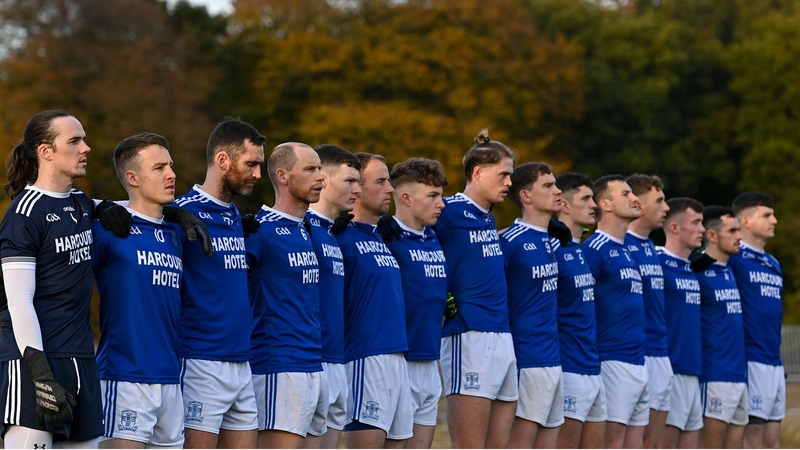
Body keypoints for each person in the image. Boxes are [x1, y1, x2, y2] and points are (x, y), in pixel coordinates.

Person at [0, 110, 139, 449]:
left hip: (81, 359)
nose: (86, 148)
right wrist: (40, 373)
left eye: (84, 140)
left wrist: (175, 214)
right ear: (45, 151)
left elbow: (131, 207)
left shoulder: (80, 203)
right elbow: (18, 302)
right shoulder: (23, 215)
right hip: (33, 362)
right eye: (74, 141)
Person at [173, 118, 266, 448]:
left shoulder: (235, 216)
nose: (257, 174)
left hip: (243, 361)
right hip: (199, 360)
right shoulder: (180, 213)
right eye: (251, 164)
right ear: (223, 160)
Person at [93, 133, 185, 448]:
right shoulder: (108, 229)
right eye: (159, 168)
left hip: (172, 379)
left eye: (171, 166)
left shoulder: (178, 231)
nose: (172, 175)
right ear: (131, 177)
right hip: (124, 377)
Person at [434, 129, 518, 449]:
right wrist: (440, 297)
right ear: (478, 172)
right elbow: (409, 240)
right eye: (504, 175)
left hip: (501, 334)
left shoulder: (487, 217)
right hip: (467, 334)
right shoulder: (449, 210)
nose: (509, 183)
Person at [246, 142, 327, 448]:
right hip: (278, 364)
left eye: (320, 168)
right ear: (282, 175)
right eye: (310, 169)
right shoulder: (260, 231)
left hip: (313, 363)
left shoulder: (306, 229)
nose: (320, 177)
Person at [335, 153, 412, 448]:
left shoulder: (381, 235)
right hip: (365, 357)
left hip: (397, 355)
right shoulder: (340, 236)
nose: (390, 189)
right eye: (380, 182)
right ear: (357, 189)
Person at [384, 158, 449, 449]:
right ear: (406, 198)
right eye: (433, 196)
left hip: (430, 359)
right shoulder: (386, 236)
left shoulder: (433, 235)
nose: (441, 204)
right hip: (400, 361)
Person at [581, 175, 648, 449]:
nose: (635, 199)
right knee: (611, 442)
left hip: (637, 360)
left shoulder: (627, 250)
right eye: (626, 194)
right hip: (612, 361)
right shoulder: (594, 249)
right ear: (605, 204)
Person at [501, 162, 564, 448]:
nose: (557, 190)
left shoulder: (552, 241)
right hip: (526, 359)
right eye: (548, 186)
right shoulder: (509, 242)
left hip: (553, 358)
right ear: (525, 196)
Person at [304, 144, 362, 449]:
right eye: (349, 181)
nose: (357, 190)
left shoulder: (333, 232)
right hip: (310, 361)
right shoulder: (303, 227)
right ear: (323, 181)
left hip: (338, 360)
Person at [552, 173, 606, 449]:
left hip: (592, 367)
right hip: (568, 366)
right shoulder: (552, 249)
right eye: (585, 198)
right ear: (564, 204)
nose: (594, 205)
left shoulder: (581, 250)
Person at [729, 192, 784, 449]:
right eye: (766, 215)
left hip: (774, 360)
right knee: (752, 439)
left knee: (772, 441)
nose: (774, 220)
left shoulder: (773, 262)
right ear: (746, 222)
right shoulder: (734, 258)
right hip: (752, 360)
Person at [625, 174, 672, 448]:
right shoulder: (622, 245)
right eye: (659, 201)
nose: (666, 208)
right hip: (637, 355)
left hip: (660, 354)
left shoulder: (651, 247)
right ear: (638, 204)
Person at [695, 206, 747, 449]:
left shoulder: (731, 270)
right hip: (714, 375)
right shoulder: (697, 271)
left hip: (739, 375)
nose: (739, 236)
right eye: (733, 230)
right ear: (712, 235)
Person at [657, 198, 705, 448]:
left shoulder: (690, 269)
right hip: (670, 371)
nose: (702, 230)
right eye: (695, 223)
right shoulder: (658, 262)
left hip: (692, 371)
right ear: (674, 227)